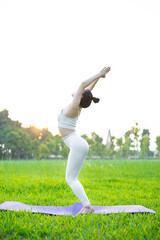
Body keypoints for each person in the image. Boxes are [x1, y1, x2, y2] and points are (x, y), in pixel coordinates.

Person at [58, 66, 111, 214]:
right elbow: (87, 90)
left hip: (77, 144)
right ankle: (87, 205)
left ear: (80, 97)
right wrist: (98, 78)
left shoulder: (75, 106)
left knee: (71, 179)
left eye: (81, 93)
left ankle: (87, 206)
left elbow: (82, 85)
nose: (80, 91)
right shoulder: (79, 104)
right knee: (72, 178)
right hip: (77, 144)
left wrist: (100, 74)